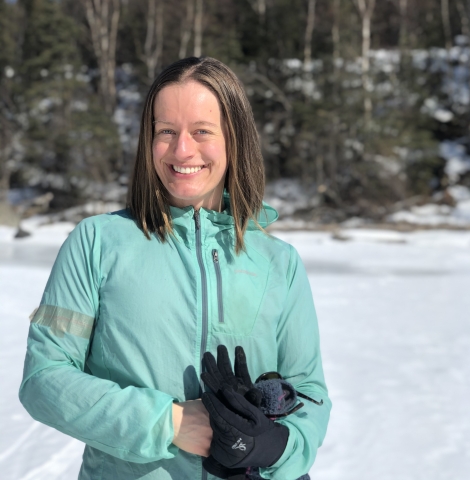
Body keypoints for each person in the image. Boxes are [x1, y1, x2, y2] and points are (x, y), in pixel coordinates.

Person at [19, 57, 331, 480]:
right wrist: (171, 423)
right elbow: (45, 379)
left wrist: (276, 446)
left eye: (202, 131)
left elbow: (308, 392)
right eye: (166, 131)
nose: (182, 150)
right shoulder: (96, 243)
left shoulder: (280, 263)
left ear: (235, 138)